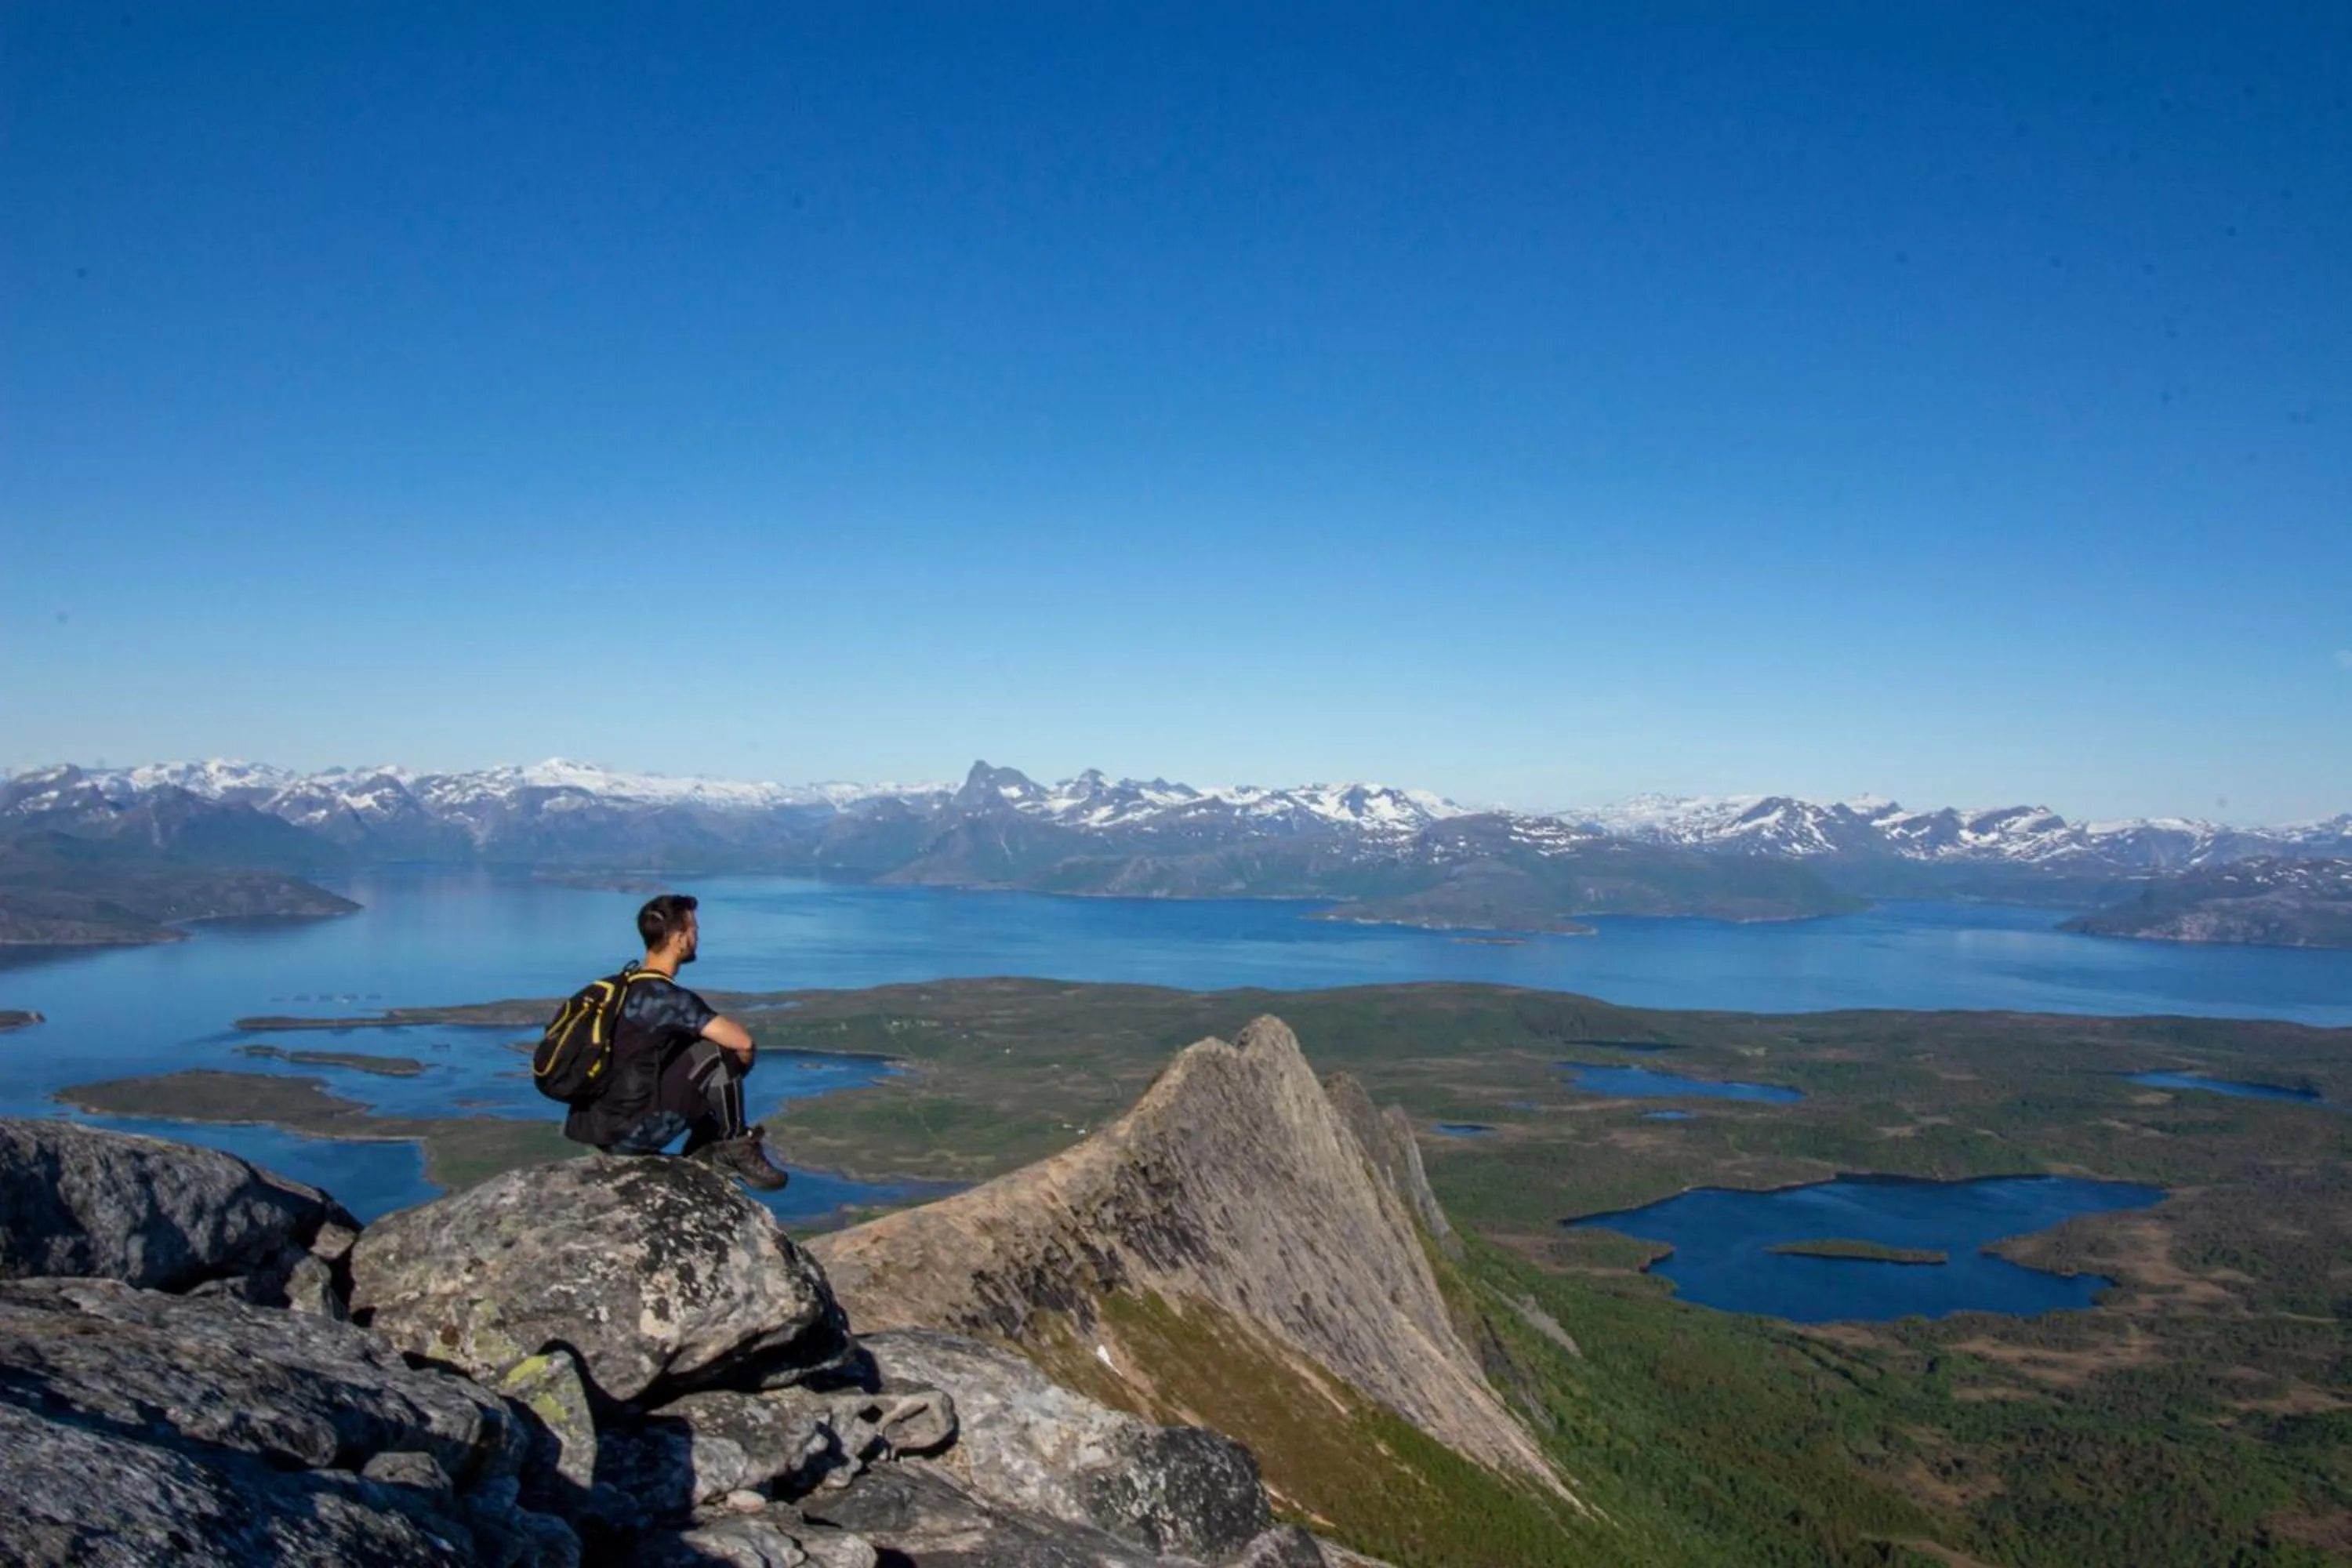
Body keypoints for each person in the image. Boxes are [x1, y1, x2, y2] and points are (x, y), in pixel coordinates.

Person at [561, 893, 789, 1191]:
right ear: (678, 939)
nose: (698, 936)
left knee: (695, 1053)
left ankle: (709, 1141)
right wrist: (738, 1068)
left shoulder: (621, 987)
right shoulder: (669, 998)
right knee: (719, 1053)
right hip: (632, 1135)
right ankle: (734, 1146)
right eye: (694, 929)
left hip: (600, 1128)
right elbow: (743, 1043)